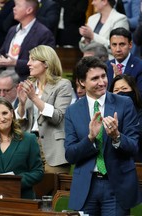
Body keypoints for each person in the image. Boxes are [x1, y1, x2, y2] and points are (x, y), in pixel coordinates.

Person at [64, 56, 141, 215]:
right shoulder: (73, 111)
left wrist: (117, 137)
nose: (102, 82)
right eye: (94, 78)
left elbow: (134, 147)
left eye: (103, 76)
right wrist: (90, 138)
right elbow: (70, 155)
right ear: (82, 82)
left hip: (116, 186)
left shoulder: (124, 104)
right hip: (86, 187)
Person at [0, 96, 44, 199]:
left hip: (23, 200)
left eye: (5, 113)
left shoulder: (29, 139)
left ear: (11, 113)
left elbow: (38, 172)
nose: (2, 118)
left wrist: (13, 182)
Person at [16, 45, 72, 173]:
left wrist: (34, 98)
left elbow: (57, 117)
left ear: (46, 63)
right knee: (30, 191)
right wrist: (22, 104)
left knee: (52, 189)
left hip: (53, 148)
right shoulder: (30, 86)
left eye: (33, 60)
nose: (28, 64)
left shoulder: (62, 85)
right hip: (30, 146)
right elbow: (21, 125)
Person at [0, 0, 55, 81]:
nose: (14, 8)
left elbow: (45, 63)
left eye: (18, 6)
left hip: (27, 80)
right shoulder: (12, 30)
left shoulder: (43, 33)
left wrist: (16, 63)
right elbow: (1, 53)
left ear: (29, 10)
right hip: (5, 77)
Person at [109, 74, 142, 162]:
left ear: (133, 90)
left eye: (124, 89)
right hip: (115, 162)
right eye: (116, 90)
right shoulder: (107, 114)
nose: (120, 92)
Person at [106, 27, 142, 95]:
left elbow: (139, 97)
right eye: (114, 45)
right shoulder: (106, 66)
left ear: (130, 45)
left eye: (122, 44)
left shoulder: (140, 66)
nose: (118, 49)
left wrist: (121, 80)